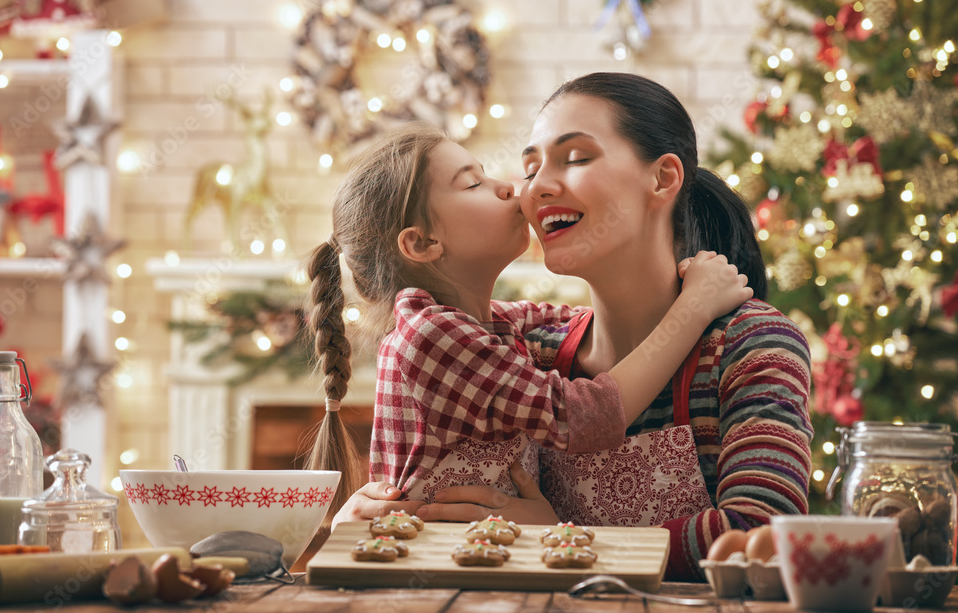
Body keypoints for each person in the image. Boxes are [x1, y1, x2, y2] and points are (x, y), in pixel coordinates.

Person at [337, 74, 814, 582]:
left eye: (577, 157)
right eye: (530, 167)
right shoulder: (528, 350)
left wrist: (560, 537)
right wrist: (356, 520)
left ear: (663, 178)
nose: (532, 187)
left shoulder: (749, 344)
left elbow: (761, 535)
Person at [305, 122, 753, 517]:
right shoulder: (430, 335)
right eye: (473, 184)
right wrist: (691, 310)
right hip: (435, 565)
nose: (512, 189)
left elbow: (589, 312)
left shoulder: (493, 323)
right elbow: (583, 417)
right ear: (422, 243)